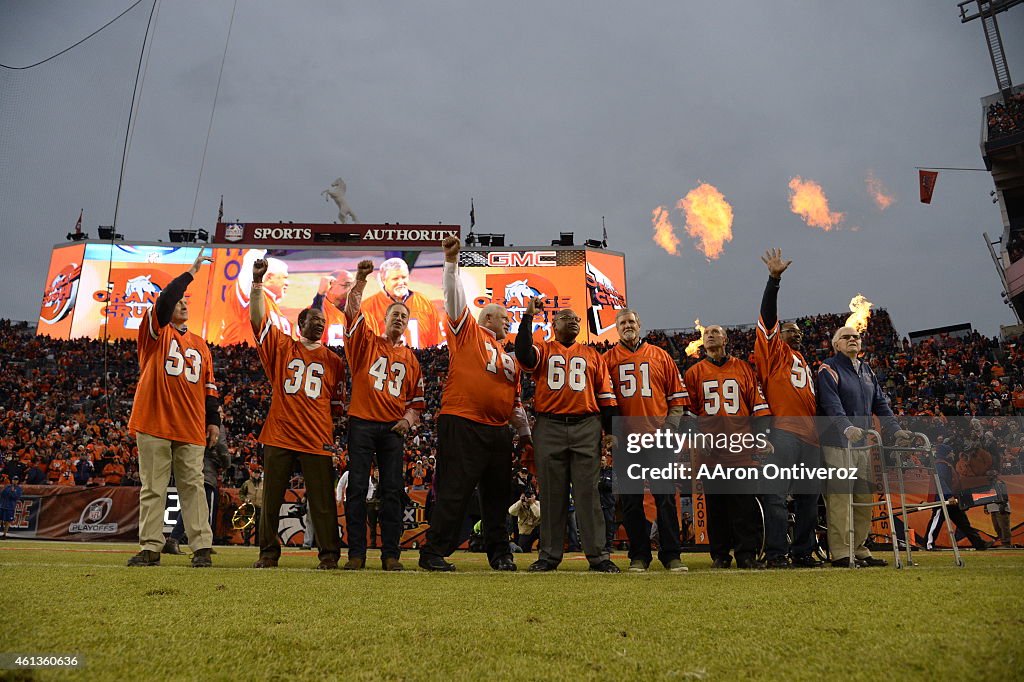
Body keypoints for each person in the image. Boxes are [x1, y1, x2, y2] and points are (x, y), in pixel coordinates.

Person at [419, 236, 531, 572]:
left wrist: (524, 434)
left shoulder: (510, 357)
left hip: (497, 430)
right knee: (455, 490)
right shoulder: (468, 332)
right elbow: (454, 301)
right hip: (463, 420)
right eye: (502, 316)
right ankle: (433, 552)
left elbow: (514, 402)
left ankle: (500, 554)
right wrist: (451, 262)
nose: (508, 320)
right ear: (486, 319)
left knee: (498, 495)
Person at [248, 258, 347, 570]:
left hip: (317, 436)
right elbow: (257, 320)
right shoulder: (281, 345)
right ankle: (267, 554)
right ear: (300, 323)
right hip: (280, 432)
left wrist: (334, 439)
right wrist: (257, 283)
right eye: (313, 320)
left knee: (322, 501)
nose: (319, 323)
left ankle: (329, 555)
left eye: (323, 321)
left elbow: (337, 407)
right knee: (271, 499)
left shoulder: (335, 362)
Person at [126, 250, 220, 568]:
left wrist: (214, 421)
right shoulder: (155, 332)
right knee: (153, 487)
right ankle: (151, 547)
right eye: (179, 300)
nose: (182, 303)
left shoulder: (201, 345)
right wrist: (190, 273)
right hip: (154, 420)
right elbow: (165, 300)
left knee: (192, 486)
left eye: (186, 301)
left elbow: (210, 387)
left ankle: (202, 547)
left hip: (191, 425)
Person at [514, 297, 620, 573]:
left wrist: (610, 431)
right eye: (566, 317)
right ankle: (549, 555)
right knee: (551, 494)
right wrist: (527, 318)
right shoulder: (544, 349)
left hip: (587, 424)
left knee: (589, 493)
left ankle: (598, 555)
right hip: (549, 425)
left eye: (576, 319)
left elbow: (606, 397)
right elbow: (523, 353)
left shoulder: (594, 355)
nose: (573, 321)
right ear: (553, 324)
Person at [343, 260, 425, 571]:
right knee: (357, 489)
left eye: (404, 315)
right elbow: (351, 312)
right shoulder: (365, 343)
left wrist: (407, 420)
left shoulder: (412, 360)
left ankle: (391, 555)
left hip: (392, 429)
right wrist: (361, 280)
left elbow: (416, 403)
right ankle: (356, 554)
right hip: (362, 422)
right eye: (395, 314)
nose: (400, 319)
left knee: (393, 491)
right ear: (385, 319)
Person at [816, 325, 914, 568]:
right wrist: (846, 427)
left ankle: (859, 548)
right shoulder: (828, 368)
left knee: (863, 499)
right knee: (841, 499)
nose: (852, 340)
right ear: (835, 344)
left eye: (855, 337)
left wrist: (896, 429)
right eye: (845, 337)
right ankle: (840, 552)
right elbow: (831, 404)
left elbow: (881, 404)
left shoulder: (867, 370)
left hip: (862, 444)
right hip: (837, 443)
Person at [603, 308, 690, 572]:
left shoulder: (661, 355)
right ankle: (639, 555)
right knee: (630, 501)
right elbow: (602, 403)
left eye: (631, 321)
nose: (627, 325)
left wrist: (670, 429)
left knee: (664, 498)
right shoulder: (607, 359)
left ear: (639, 324)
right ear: (616, 328)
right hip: (625, 441)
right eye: (622, 323)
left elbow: (677, 399)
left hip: (658, 437)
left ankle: (671, 554)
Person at [754, 249, 823, 568]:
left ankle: (803, 551)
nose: (794, 332)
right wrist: (774, 280)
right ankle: (777, 554)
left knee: (810, 498)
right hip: (781, 433)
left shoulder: (805, 361)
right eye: (787, 329)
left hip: (809, 436)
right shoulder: (774, 352)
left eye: (798, 330)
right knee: (776, 497)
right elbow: (768, 316)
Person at [684, 324, 773, 570]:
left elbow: (757, 406)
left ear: (725, 339)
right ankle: (720, 555)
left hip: (740, 447)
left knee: (744, 504)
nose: (710, 335)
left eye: (715, 332)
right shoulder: (693, 373)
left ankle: (747, 555)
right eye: (706, 333)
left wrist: (763, 436)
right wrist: (696, 437)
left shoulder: (743, 368)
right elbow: (688, 414)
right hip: (710, 450)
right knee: (716, 506)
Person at [164, 420, 230, 555]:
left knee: (192, 505)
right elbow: (221, 447)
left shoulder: (192, 417)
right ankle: (194, 541)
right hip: (206, 470)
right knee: (200, 507)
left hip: (187, 466)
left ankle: (187, 540)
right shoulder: (215, 423)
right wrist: (226, 463)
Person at [924, 448, 995, 551]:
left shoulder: (944, 464)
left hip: (950, 499)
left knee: (963, 523)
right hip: (943, 499)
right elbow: (940, 481)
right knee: (936, 521)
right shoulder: (941, 465)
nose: (953, 454)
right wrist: (948, 495)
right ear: (946, 454)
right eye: (951, 452)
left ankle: (979, 543)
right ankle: (928, 544)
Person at [360, 257, 442, 347]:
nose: (401, 282)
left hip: (420, 360)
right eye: (395, 279)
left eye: (404, 277)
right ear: (384, 280)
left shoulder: (424, 303)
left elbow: (436, 341)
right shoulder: (368, 307)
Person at [219, 249, 291, 346]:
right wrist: (259, 241)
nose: (287, 283)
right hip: (241, 358)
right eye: (284, 278)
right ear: (269, 277)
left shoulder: (275, 309)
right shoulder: (251, 297)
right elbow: (250, 263)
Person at [313, 269, 354, 348]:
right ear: (331, 284)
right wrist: (320, 294)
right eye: (347, 285)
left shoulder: (365, 315)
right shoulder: (315, 310)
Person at [239, 468, 264, 547]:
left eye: (258, 473)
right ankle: (246, 543)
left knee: (259, 527)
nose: (257, 475)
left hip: (260, 507)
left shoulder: (264, 483)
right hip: (250, 507)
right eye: (255, 473)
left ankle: (258, 543)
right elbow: (241, 493)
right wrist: (245, 499)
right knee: (247, 526)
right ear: (252, 473)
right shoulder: (247, 483)